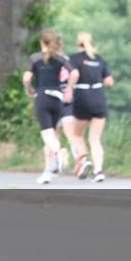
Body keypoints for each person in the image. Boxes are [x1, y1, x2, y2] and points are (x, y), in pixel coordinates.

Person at [23, 29, 72, 185]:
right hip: (58, 99)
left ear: (42, 42)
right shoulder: (61, 58)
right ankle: (47, 171)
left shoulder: (35, 58)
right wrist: (69, 88)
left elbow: (26, 78)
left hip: (43, 97)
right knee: (52, 136)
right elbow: (75, 73)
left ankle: (60, 152)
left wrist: (28, 89)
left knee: (47, 135)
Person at [65, 32, 115, 182]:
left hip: (82, 97)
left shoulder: (73, 59)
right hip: (99, 98)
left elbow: (71, 75)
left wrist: (69, 88)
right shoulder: (99, 59)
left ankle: (84, 160)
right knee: (95, 139)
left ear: (77, 43)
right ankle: (98, 170)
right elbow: (110, 82)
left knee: (76, 134)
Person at [50, 34, 91, 178]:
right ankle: (82, 160)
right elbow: (75, 74)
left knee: (52, 132)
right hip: (69, 97)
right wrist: (70, 88)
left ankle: (55, 162)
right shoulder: (68, 59)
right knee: (71, 134)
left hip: (53, 96)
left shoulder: (48, 60)